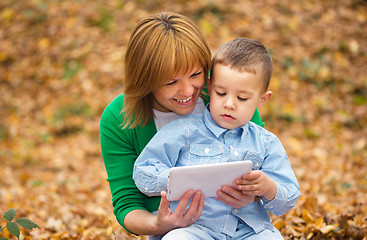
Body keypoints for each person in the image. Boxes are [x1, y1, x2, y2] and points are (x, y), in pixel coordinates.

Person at [100, 13, 265, 236]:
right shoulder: (119, 118)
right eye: (171, 82)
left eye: (196, 74)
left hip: (241, 227)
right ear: (145, 80)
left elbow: (266, 164)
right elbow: (127, 203)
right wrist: (158, 225)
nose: (188, 91)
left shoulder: (227, 94)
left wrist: (254, 193)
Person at [133, 38, 301, 239]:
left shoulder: (266, 143)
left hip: (249, 231)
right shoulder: (183, 130)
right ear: (210, 87)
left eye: (242, 98)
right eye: (221, 93)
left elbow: (289, 197)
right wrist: (175, 180)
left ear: (262, 100)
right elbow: (143, 171)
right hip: (195, 228)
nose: (229, 104)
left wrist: (267, 187)